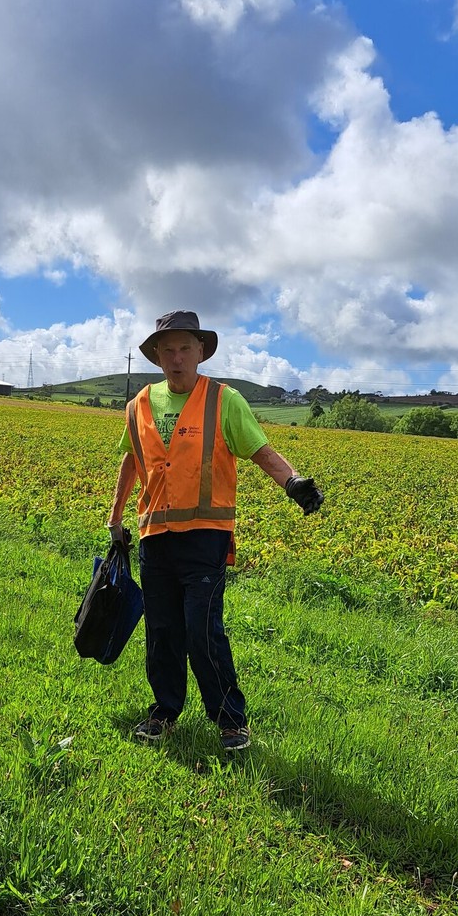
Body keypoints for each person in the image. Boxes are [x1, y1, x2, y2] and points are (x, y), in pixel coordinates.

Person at [107, 310, 323, 752]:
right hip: (154, 538)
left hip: (206, 536)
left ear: (201, 352)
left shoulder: (225, 401)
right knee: (163, 630)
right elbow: (131, 461)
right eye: (167, 350)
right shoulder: (139, 407)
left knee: (202, 629)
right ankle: (165, 712)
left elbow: (259, 450)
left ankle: (230, 721)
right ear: (156, 357)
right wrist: (115, 518)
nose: (176, 357)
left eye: (185, 348)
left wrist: (293, 482)